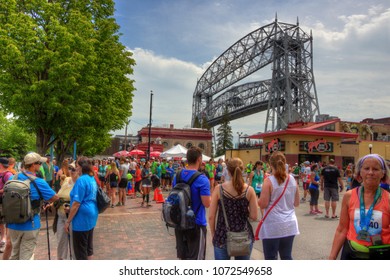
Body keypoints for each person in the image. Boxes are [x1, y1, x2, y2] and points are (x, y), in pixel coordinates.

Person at [329, 154, 390, 260]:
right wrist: (332, 256)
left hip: (380, 255)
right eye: (366, 168)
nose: (370, 172)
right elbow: (342, 229)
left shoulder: (388, 199)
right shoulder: (349, 196)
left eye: (375, 169)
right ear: (360, 172)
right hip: (352, 253)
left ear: (382, 173)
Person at [7, 152, 59, 260]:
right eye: (39, 163)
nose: (41, 165)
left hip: (12, 223)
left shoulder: (12, 177)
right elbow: (55, 198)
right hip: (30, 224)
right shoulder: (39, 182)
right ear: (33, 165)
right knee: (26, 257)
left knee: (15, 254)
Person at [209, 158, 258, 260]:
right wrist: (243, 210)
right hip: (244, 235)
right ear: (242, 169)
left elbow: (211, 216)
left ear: (228, 171)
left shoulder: (219, 189)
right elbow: (254, 216)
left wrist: (214, 235)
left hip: (223, 235)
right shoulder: (249, 190)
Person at [258, 151, 300, 260]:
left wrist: (257, 200)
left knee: (271, 257)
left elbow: (263, 204)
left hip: (273, 225)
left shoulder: (269, 181)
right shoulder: (292, 180)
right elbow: (296, 203)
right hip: (289, 223)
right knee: (286, 256)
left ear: (270, 165)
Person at [173, 146, 211, 260]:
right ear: (199, 159)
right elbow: (207, 203)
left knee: (183, 258)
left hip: (179, 222)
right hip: (196, 223)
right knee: (196, 259)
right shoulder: (202, 179)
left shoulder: (177, 175)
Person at [64, 157, 99, 260]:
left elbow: (76, 204)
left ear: (82, 167)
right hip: (92, 213)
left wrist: (68, 221)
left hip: (81, 218)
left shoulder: (81, 180)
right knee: (88, 247)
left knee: (80, 250)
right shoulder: (91, 178)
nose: (76, 168)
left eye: (77, 166)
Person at [53, 161, 78, 259]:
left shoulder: (79, 182)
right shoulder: (66, 179)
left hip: (72, 216)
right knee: (61, 241)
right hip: (60, 215)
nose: (71, 171)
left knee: (73, 242)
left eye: (74, 169)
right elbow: (59, 195)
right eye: (70, 168)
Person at [0, 158, 13, 256]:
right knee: (1, 221)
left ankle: (6, 240)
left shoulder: (8, 175)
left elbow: (10, 188)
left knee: (6, 220)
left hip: (5, 202)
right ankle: (3, 238)